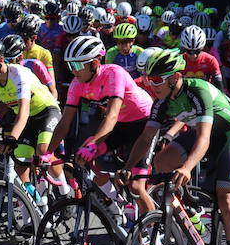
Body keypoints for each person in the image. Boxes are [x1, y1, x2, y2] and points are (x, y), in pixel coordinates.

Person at [125, 48, 230, 245]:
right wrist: (128, 168)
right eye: (149, 80)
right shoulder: (161, 102)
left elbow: (204, 139)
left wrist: (187, 167)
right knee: (161, 163)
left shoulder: (198, 90)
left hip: (229, 133)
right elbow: (145, 138)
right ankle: (191, 209)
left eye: (157, 80)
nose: (152, 85)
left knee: (226, 199)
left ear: (175, 77)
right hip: (202, 133)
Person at [46, 34, 153, 204]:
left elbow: (112, 115)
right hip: (121, 124)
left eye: (76, 65)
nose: (73, 70)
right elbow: (65, 122)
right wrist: (47, 153)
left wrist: (93, 144)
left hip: (144, 122)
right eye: (70, 65)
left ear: (95, 63)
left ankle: (154, 228)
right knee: (83, 158)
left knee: (136, 187)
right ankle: (118, 204)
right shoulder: (77, 83)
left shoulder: (114, 73)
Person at [0, 38, 63, 192]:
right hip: (27, 119)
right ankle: (33, 200)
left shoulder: (19, 73)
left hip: (46, 111)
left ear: (0, 60)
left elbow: (23, 111)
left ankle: (64, 192)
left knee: (43, 150)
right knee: (20, 160)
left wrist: (12, 138)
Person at [179, 25, 223, 90]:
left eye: (197, 51)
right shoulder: (179, 61)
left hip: (205, 91)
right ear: (184, 48)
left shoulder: (210, 60)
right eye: (189, 52)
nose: (194, 55)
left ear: (202, 48)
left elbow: (219, 85)